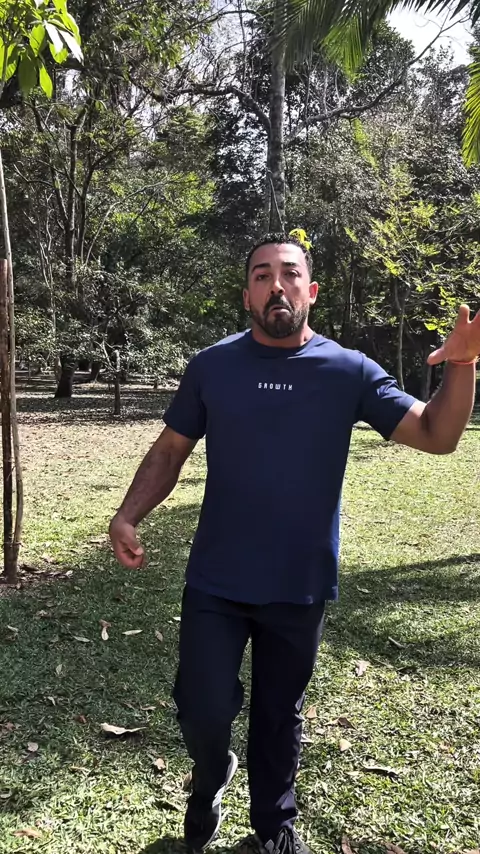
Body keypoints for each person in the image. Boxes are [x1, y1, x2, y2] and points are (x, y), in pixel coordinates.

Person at [109, 233, 480, 854]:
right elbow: (171, 449)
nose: (275, 285)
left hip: (299, 582)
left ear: (311, 291)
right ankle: (211, 774)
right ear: (246, 295)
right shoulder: (212, 367)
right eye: (261, 275)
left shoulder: (348, 370)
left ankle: (274, 827)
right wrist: (127, 515)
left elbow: (438, 435)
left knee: (280, 715)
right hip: (217, 579)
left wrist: (462, 365)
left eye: (289, 273)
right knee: (202, 707)